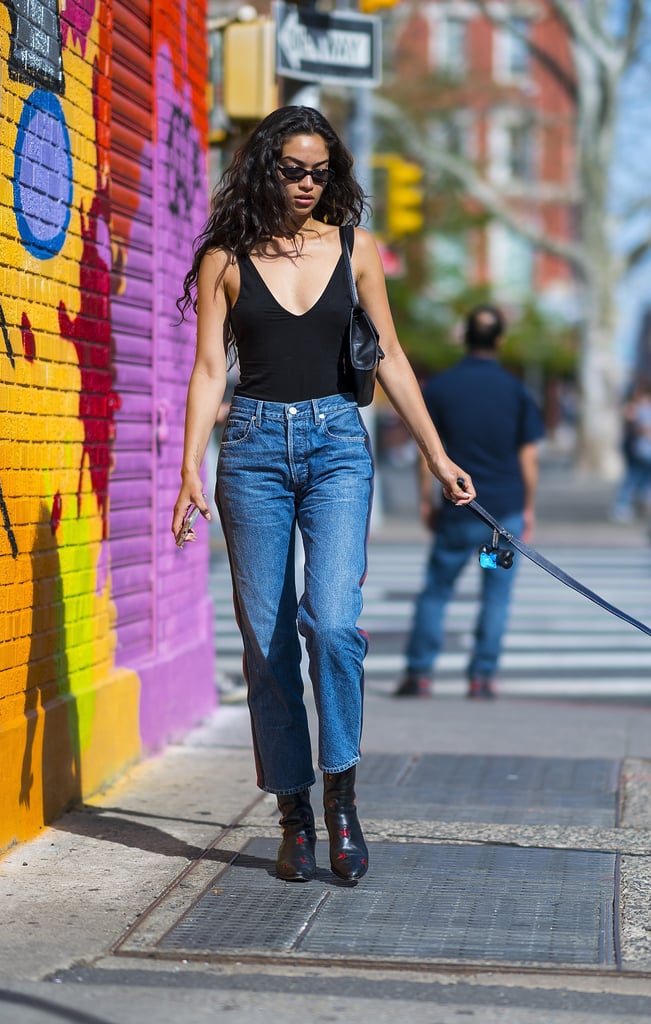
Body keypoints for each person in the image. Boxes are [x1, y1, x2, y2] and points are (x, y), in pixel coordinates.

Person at [172, 106, 475, 884]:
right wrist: (187, 471)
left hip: (341, 445)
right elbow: (210, 373)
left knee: (333, 625)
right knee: (268, 649)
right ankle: (295, 816)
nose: (307, 184)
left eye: (319, 171)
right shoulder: (225, 258)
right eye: (292, 169)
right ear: (263, 169)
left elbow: (395, 359)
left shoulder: (354, 248)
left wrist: (439, 457)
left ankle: (342, 798)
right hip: (252, 455)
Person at [394, 305, 543, 701]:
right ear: (499, 341)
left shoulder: (441, 388)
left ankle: (419, 674)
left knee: (437, 591)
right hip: (501, 517)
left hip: (458, 509)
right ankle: (481, 677)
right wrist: (528, 507)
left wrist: (426, 501)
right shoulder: (516, 391)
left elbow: (429, 452)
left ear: (465, 338)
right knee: (495, 593)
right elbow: (528, 457)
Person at [610, 378, 651, 523]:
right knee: (634, 477)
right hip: (638, 450)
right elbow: (638, 426)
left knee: (642, 478)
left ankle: (639, 503)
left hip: (642, 450)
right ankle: (623, 505)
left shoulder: (638, 407)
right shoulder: (636, 408)